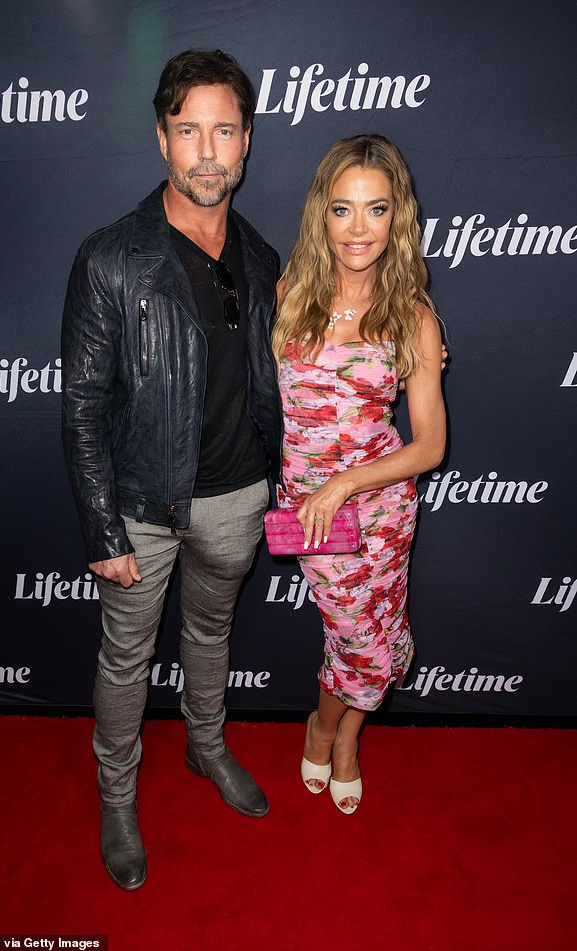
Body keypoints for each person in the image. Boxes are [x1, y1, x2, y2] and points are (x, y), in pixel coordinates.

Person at [61, 49, 282, 890]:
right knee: (125, 658)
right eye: (188, 130)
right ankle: (117, 796)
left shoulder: (263, 260)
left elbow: (314, 353)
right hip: (142, 506)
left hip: (237, 499)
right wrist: (102, 526)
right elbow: (82, 404)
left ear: (247, 141)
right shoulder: (111, 257)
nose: (207, 150)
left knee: (211, 634)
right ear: (161, 140)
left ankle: (206, 746)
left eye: (223, 130)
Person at [271, 134, 446, 815]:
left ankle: (338, 732)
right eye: (344, 209)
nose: (359, 229)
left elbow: (430, 444)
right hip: (310, 512)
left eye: (376, 210)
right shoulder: (287, 295)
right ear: (322, 213)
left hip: (381, 509)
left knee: (366, 632)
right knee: (359, 638)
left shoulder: (413, 319)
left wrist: (346, 481)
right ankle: (329, 726)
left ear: (397, 216)